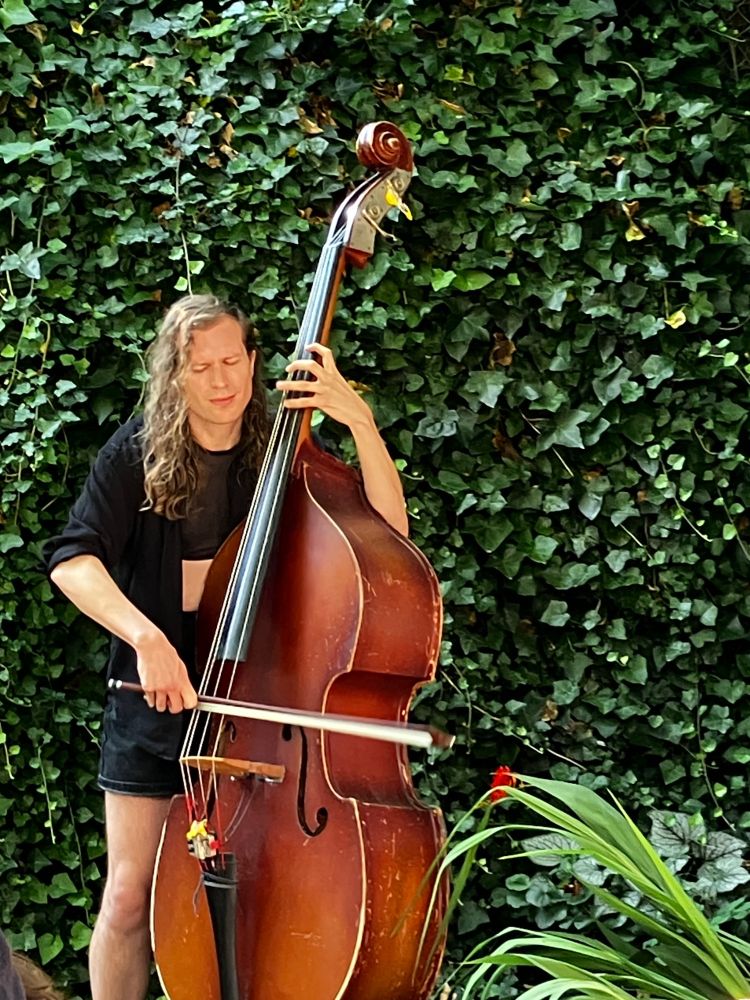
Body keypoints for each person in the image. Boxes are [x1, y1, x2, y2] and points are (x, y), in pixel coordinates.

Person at [43, 294, 409, 1000]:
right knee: (127, 898)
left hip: (265, 710)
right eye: (200, 367)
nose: (219, 382)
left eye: (232, 361)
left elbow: (390, 540)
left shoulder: (284, 450)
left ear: (253, 362)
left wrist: (358, 419)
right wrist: (146, 638)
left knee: (268, 897)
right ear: (174, 377)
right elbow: (72, 560)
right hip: (159, 696)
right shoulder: (139, 449)